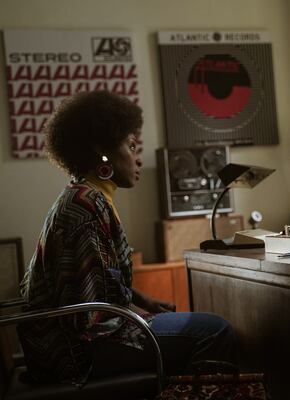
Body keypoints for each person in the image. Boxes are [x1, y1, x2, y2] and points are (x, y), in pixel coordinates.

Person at [19, 90, 237, 384]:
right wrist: (137, 312)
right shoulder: (86, 206)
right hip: (79, 353)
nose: (137, 159)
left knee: (196, 328)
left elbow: (96, 279)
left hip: (78, 342)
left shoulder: (85, 196)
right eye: (131, 146)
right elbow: (89, 314)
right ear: (102, 149)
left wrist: (140, 298)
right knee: (216, 329)